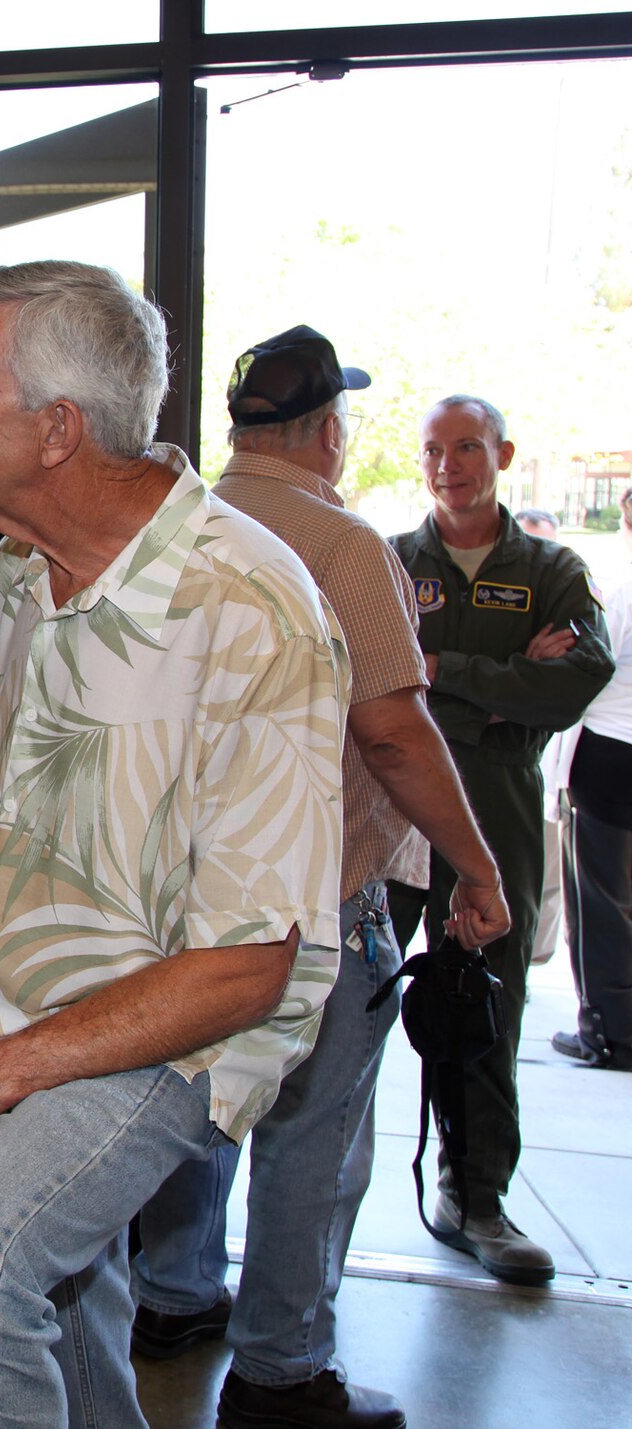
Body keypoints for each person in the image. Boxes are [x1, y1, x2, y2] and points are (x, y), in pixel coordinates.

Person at [0, 262, 349, 1428]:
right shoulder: (11, 577)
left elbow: (245, 964)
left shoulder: (246, 602)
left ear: (56, 429)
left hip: (167, 1032)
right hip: (24, 1018)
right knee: (65, 1304)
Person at [132, 326, 510, 1429]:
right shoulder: (343, 547)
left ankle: (169, 1292)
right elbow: (390, 732)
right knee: (310, 1125)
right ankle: (280, 1368)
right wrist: (473, 867)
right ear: (328, 432)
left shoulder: (182, 526)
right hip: (312, 900)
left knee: (197, 1094)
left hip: (189, 889)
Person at [387, 395, 614, 1284]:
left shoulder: (554, 570)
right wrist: (505, 683)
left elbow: (576, 682)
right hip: (395, 810)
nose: (451, 465)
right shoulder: (395, 562)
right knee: (348, 999)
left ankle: (477, 1198)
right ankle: (319, 1191)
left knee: (486, 1002)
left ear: (503, 454)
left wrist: (439, 670)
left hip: (501, 815)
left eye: (469, 447)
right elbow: (369, 678)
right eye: (436, 450)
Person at [553, 485, 632, 1069]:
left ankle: (608, 1029)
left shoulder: (620, 588)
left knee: (601, 899)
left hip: (609, 752)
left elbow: (590, 674)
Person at [516, 509, 576, 969]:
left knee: (545, 881)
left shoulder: (563, 577)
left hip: (538, 762)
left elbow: (568, 683)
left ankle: (535, 957)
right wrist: (523, 671)